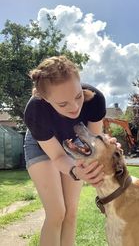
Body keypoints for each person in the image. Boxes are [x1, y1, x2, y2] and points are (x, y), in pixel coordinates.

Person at [23, 55, 109, 246]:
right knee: (57, 213)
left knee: (71, 213)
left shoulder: (95, 100)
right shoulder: (35, 111)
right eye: (63, 104)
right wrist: (75, 171)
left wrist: (107, 149)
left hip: (72, 143)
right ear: (44, 98)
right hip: (42, 147)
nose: (75, 107)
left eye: (78, 96)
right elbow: (58, 156)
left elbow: (92, 144)